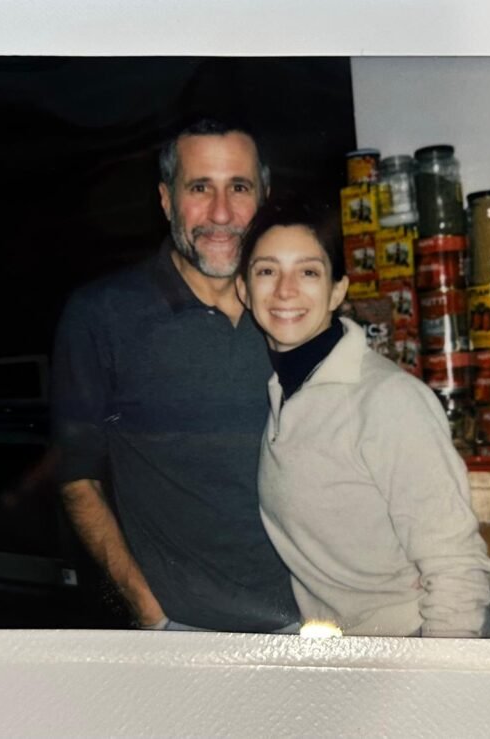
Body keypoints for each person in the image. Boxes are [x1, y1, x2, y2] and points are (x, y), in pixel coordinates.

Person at [50, 118, 299, 632]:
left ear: (265, 199)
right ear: (166, 200)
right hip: (187, 628)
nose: (221, 213)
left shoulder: (297, 308)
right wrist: (149, 610)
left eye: (239, 188)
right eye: (200, 188)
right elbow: (77, 477)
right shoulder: (103, 314)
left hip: (316, 613)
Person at [235, 200, 490, 638]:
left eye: (308, 271)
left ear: (338, 291)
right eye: (267, 271)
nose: (285, 289)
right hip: (348, 650)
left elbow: (456, 566)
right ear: (244, 290)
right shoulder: (285, 391)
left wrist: (439, 673)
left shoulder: (387, 399)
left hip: (425, 642)